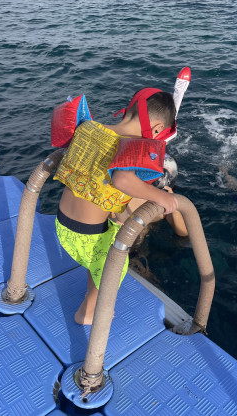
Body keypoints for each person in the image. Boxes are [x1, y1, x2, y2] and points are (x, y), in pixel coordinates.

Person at [53, 89, 179, 325]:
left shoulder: (90, 128)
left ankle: (91, 298)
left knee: (99, 256)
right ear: (157, 129)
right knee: (114, 266)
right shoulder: (131, 144)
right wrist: (162, 198)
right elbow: (122, 180)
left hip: (62, 224)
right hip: (87, 235)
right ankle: (87, 312)